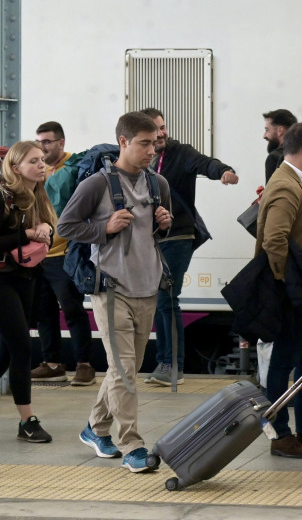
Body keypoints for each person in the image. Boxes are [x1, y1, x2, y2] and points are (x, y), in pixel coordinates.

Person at [58, 112, 173, 473]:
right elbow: (67, 226)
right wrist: (102, 227)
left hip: (147, 285)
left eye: (154, 143)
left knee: (130, 368)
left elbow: (155, 237)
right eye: (143, 143)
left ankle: (95, 427)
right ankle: (132, 446)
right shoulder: (96, 185)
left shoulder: (159, 184)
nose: (151, 150)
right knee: (124, 370)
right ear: (123, 141)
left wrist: (165, 226)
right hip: (111, 288)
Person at [141, 107, 240, 386]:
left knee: (166, 297)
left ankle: (172, 366)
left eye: (163, 127)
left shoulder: (180, 152)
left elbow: (205, 164)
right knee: (157, 300)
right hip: (149, 238)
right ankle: (165, 362)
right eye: (154, 129)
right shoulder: (138, 157)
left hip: (178, 236)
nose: (161, 133)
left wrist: (223, 171)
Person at [257, 123, 302, 459]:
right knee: (283, 362)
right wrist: (288, 285)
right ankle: (280, 433)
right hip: (294, 291)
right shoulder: (286, 186)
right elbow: (274, 240)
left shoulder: (297, 182)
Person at [30, 122, 96, 385]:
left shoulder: (75, 168)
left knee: (72, 309)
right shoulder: (38, 169)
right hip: (39, 253)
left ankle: (84, 364)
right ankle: (52, 363)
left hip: (65, 253)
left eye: (46, 141)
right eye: (39, 141)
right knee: (44, 312)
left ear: (61, 143)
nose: (42, 147)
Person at [0, 141, 56, 443]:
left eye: (42, 160)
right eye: (33, 161)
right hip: (2, 280)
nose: (41, 165)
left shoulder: (38, 195)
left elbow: (49, 231)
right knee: (22, 347)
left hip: (27, 276)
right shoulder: (3, 196)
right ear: (15, 166)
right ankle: (27, 422)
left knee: (5, 352)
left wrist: (46, 229)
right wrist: (28, 234)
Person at [263, 109, 298, 184]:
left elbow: (274, 194)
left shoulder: (274, 158)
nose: (264, 136)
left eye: (267, 130)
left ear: (280, 130)